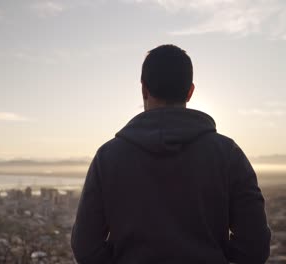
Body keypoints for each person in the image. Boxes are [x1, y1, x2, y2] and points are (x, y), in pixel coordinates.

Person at [71, 44, 271, 264]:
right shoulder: (228, 155)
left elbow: (86, 247)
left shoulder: (107, 158)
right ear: (190, 91)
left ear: (144, 89)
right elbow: (254, 247)